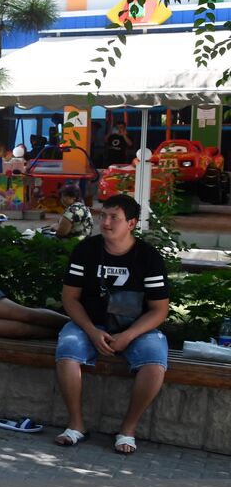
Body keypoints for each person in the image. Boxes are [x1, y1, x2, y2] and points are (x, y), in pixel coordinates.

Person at [53, 194, 170, 454]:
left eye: (113, 217)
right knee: (68, 350)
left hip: (135, 328)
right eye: (103, 216)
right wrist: (92, 332)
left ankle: (127, 430)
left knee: (155, 361)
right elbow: (70, 299)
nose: (105, 222)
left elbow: (159, 310)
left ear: (131, 223)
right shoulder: (86, 250)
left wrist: (129, 335)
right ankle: (76, 425)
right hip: (90, 324)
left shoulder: (148, 257)